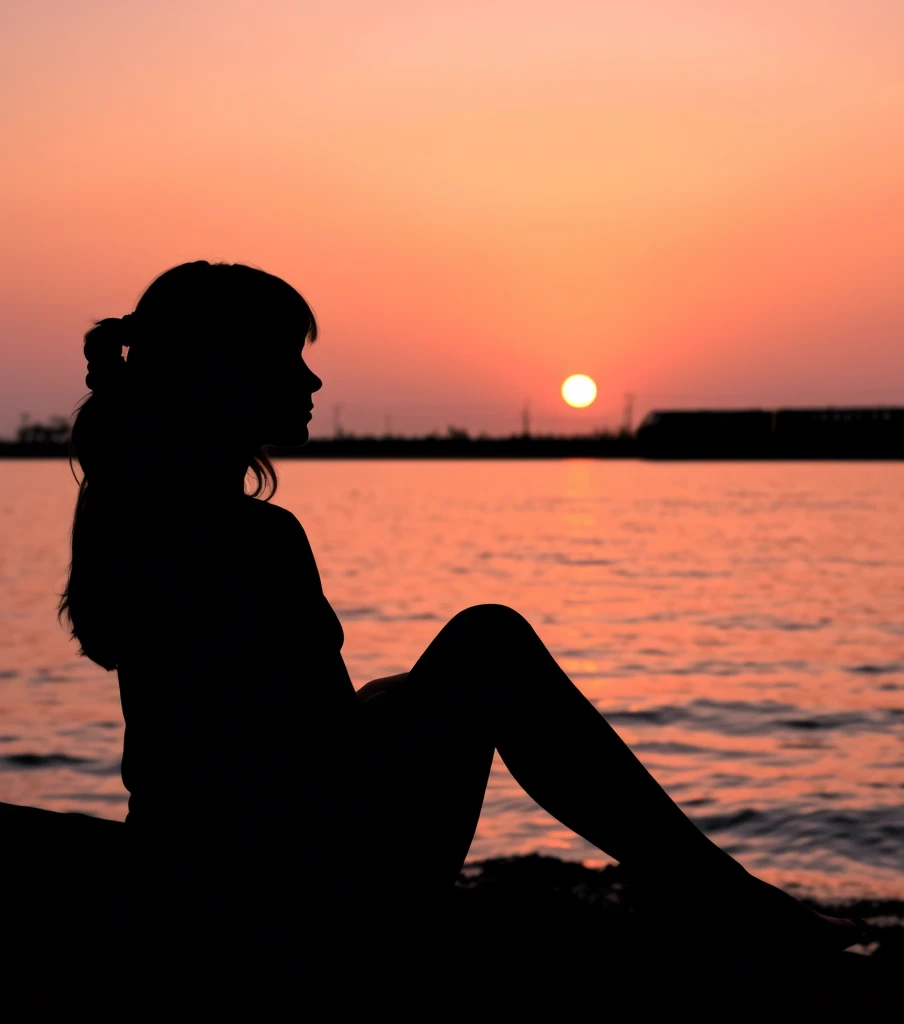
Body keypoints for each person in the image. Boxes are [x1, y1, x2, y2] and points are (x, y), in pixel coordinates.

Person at [60, 260, 859, 995]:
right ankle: (723, 895)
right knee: (490, 642)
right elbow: (314, 761)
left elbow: (248, 737)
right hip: (289, 890)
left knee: (422, 680)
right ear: (223, 371)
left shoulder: (120, 513)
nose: (311, 376)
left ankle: (710, 889)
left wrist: (398, 703)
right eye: (285, 356)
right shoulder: (252, 537)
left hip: (188, 859)